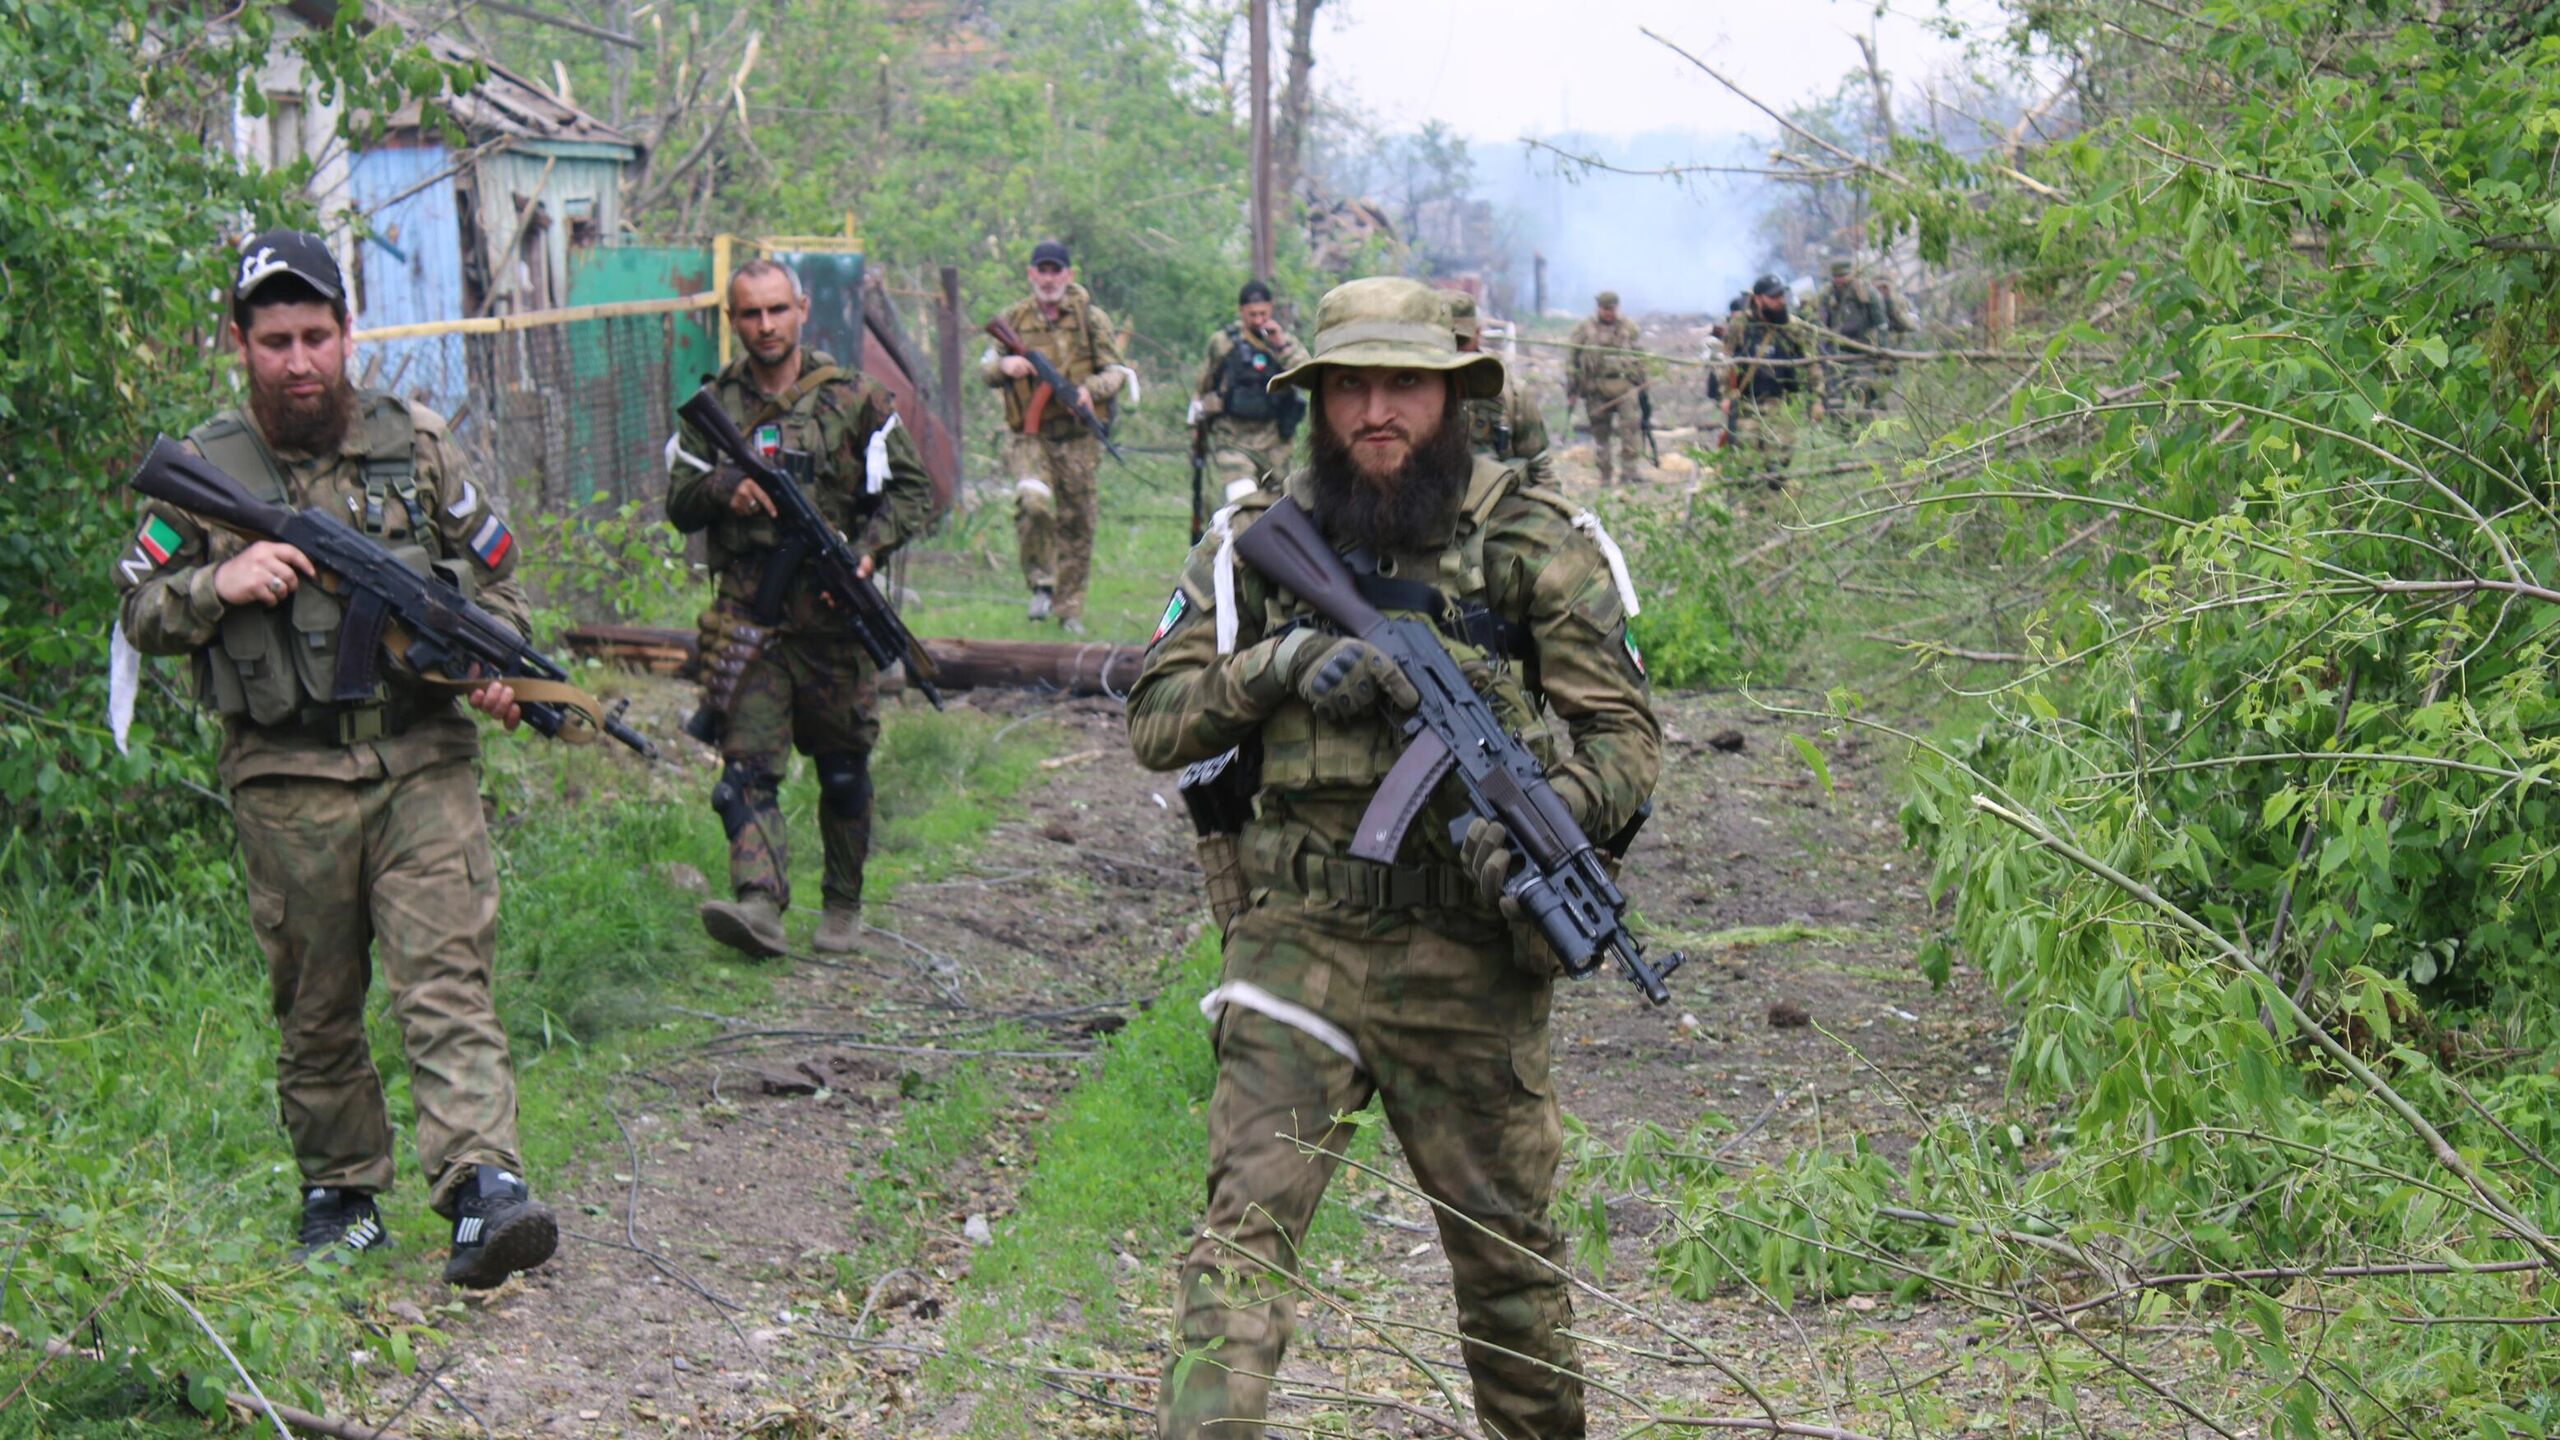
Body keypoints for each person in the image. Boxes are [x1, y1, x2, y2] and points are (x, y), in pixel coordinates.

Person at [1130, 275, 1662, 1440]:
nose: (1379, 412)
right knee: (1237, 1262)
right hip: (1297, 937)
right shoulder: (1254, 545)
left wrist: (1538, 819)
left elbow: (1629, 742)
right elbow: (1154, 722)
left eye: (1406, 386)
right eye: (1352, 388)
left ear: (1452, 395)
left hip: (1469, 958)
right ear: (1315, 403)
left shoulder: (1534, 543)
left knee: (1511, 1279)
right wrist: (1271, 672)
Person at [115, 229, 556, 1288]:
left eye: (318, 335)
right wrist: (219, 585)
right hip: (285, 775)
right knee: (315, 998)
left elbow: (496, 588)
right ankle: (341, 1192)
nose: (301, 360)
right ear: (240, 342)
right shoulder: (205, 471)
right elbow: (137, 609)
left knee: (445, 975)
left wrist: (495, 667)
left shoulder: (419, 446)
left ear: (349, 334)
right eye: (277, 340)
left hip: (421, 762)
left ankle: (483, 1187)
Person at [666, 258, 936, 960]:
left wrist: (867, 553)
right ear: (733, 320)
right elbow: (678, 500)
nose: (765, 326)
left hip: (833, 624)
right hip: (751, 622)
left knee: (843, 769)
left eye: (777, 310)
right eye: (750, 314)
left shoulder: (855, 398)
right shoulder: (714, 405)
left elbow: (914, 491)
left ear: (803, 308)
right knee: (747, 772)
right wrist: (727, 487)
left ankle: (842, 905)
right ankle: (759, 905)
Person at [982, 240, 1134, 635]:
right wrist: (1006, 365)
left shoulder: (1090, 319)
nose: (1049, 278)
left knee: (1078, 522)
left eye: (1056, 271)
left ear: (1068, 275)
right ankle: (1041, 584)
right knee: (1033, 501)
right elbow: (985, 369)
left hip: (1077, 437)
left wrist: (1088, 391)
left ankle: (1069, 610)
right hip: (1029, 437)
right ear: (1032, 274)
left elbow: (1116, 372)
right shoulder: (1014, 318)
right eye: (1042, 270)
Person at [1191, 279, 1308, 503]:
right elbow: (1202, 388)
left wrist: (1280, 346)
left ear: (1271, 309)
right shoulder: (1223, 343)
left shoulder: (1283, 343)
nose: (1258, 320)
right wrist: (1196, 430)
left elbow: (1306, 378)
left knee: (1275, 511)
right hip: (1234, 441)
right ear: (1241, 311)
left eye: (1263, 314)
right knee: (1242, 501)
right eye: (1251, 314)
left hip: (1275, 445)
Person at [1445, 290, 1554, 484]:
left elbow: (1540, 468)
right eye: (1445, 340)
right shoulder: (1407, 396)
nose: (1454, 349)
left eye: (1461, 341)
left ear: (1478, 334)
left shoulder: (1511, 393)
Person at [1723, 274, 1825, 481]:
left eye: (1781, 296)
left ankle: (1777, 507)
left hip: (1782, 405)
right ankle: (1752, 509)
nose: (1780, 301)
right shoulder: (1741, 326)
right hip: (1746, 407)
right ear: (1758, 300)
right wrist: (1725, 395)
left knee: (1778, 468)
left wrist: (1817, 400)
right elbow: (1726, 362)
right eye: (1774, 297)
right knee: (1747, 467)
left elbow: (1812, 365)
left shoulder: (1793, 328)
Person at [1565, 289, 1646, 483]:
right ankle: (1605, 473)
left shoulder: (1629, 328)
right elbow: (1572, 359)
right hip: (1596, 387)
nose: (1608, 313)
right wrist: (1572, 387)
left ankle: (1629, 471)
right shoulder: (1585, 329)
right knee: (1600, 433)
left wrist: (1642, 384)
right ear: (1598, 308)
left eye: (1611, 309)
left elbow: (1640, 356)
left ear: (1616, 308)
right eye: (1604, 309)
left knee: (1630, 429)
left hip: (1625, 385)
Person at [1815, 259, 1891, 417]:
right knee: (1835, 395)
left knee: (1862, 391)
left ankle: (1865, 428)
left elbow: (1881, 324)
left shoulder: (1866, 293)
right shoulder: (1827, 294)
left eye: (1843, 275)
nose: (1839, 279)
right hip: (1836, 352)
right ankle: (1842, 429)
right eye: (1836, 276)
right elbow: (1820, 323)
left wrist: (1883, 352)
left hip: (1862, 351)